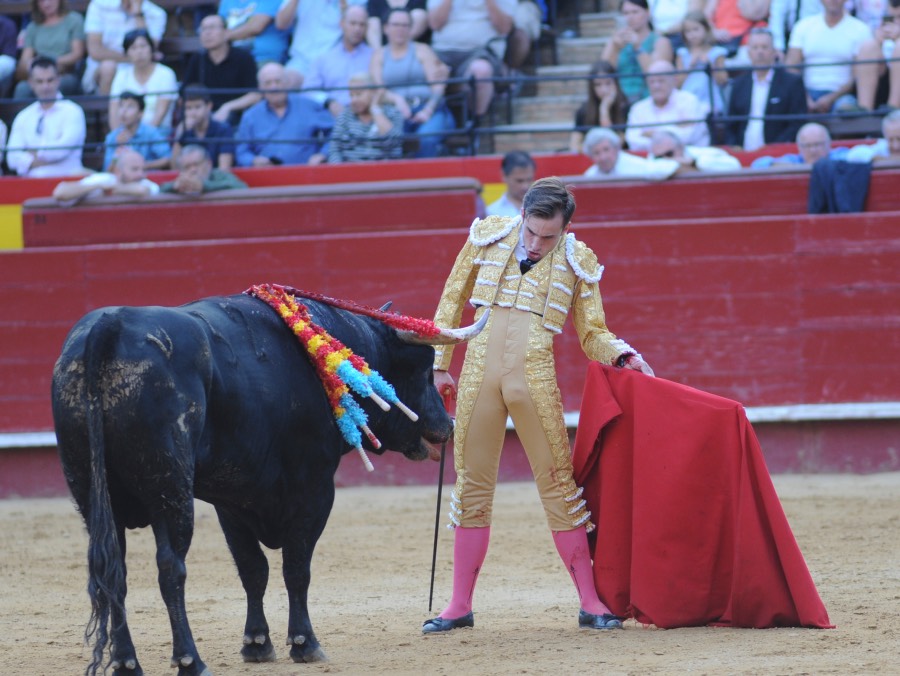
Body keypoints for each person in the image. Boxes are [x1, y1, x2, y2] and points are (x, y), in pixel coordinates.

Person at [422, 176, 654, 634]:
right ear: (522, 213)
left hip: (535, 379)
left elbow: (592, 333)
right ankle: (458, 606)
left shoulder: (577, 260)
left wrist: (623, 354)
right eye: (531, 231)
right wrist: (438, 365)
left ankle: (590, 602)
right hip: (477, 377)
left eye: (548, 237)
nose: (535, 244)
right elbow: (450, 301)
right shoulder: (487, 234)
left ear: (565, 229)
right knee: (470, 486)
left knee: (558, 483)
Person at [370, 8, 454, 157]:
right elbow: (379, 89)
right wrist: (397, 99)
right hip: (394, 113)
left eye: (405, 25)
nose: (400, 29)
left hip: (430, 110)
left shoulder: (423, 50)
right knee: (388, 138)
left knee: (426, 139)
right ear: (385, 28)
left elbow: (438, 86)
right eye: (395, 25)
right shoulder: (379, 55)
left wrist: (427, 110)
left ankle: (425, 179)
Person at [426, 0, 517, 118]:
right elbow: (434, 24)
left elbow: (505, 28)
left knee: (481, 70)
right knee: (426, 68)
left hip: (482, 51)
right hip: (442, 51)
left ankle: (476, 124)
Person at [235, 63, 334, 166]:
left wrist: (322, 154)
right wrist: (253, 161)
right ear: (260, 88)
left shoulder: (309, 106)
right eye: (268, 83)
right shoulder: (250, 116)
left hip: (307, 175)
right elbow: (242, 152)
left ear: (287, 83)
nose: (274, 87)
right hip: (265, 177)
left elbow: (335, 132)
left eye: (278, 81)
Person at [725, 27, 808, 150]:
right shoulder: (739, 84)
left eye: (764, 47)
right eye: (755, 47)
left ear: (774, 52)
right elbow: (731, 124)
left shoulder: (792, 82)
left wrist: (773, 148)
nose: (760, 52)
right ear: (748, 52)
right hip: (743, 154)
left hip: (777, 154)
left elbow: (796, 124)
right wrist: (735, 146)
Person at [784, 0, 873, 113]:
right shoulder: (803, 26)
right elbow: (791, 68)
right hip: (807, 93)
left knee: (847, 108)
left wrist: (831, 98)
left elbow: (857, 75)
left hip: (842, 96)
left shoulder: (861, 30)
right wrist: (806, 98)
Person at [6, 56, 86, 177]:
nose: (45, 87)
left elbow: (62, 151)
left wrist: (31, 155)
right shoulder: (24, 116)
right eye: (40, 81)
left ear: (58, 80)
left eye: (50, 80)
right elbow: (11, 158)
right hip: (30, 184)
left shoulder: (73, 111)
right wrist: (47, 157)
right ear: (31, 83)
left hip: (67, 183)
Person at [181, 14, 261, 125]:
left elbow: (255, 95)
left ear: (226, 32)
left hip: (236, 117)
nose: (207, 33)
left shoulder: (243, 58)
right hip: (202, 117)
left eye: (212, 28)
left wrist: (228, 107)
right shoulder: (197, 59)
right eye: (203, 29)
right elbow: (185, 93)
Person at [82, 0, 167, 96]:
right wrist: (134, 58)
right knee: (108, 66)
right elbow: (95, 52)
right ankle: (106, 110)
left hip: (139, 67)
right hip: (102, 70)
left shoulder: (157, 14)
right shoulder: (99, 5)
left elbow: (149, 49)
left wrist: (138, 14)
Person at [303, 5, 374, 114]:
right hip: (332, 119)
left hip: (367, 118)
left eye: (362, 24)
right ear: (342, 24)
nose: (357, 29)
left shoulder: (375, 57)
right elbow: (309, 90)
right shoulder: (324, 58)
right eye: (353, 23)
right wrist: (328, 102)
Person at [277, 0, 368, 86]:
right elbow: (281, 24)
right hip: (302, 60)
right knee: (282, 83)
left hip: (335, 60)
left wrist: (343, 5)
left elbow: (356, 25)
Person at [624, 60, 710, 151]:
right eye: (652, 82)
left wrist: (653, 133)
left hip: (688, 158)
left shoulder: (689, 101)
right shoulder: (638, 108)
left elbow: (691, 135)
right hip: (651, 161)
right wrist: (673, 132)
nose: (656, 86)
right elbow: (633, 141)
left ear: (674, 80)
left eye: (661, 81)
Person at [602, 0, 674, 104]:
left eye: (635, 12)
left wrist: (638, 47)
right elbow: (603, 73)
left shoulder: (660, 41)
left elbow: (657, 76)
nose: (630, 17)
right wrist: (614, 47)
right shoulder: (615, 42)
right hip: (620, 102)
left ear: (647, 13)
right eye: (626, 13)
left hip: (650, 101)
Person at [108, 29, 178, 131]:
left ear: (151, 49)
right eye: (133, 48)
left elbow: (160, 114)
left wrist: (141, 139)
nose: (139, 52)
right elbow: (114, 112)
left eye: (143, 46)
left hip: (158, 133)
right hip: (125, 134)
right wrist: (117, 138)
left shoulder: (166, 74)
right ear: (126, 53)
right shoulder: (121, 75)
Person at [13, 0, 86, 99]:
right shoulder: (33, 27)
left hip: (65, 72)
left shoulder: (74, 20)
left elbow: (77, 54)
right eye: (41, 1)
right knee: (22, 89)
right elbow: (25, 59)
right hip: (39, 72)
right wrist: (30, 64)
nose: (46, 4)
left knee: (63, 84)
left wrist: (51, 62)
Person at [327, 72, 405, 162]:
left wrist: (375, 109)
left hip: (383, 172)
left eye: (358, 94)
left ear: (373, 92)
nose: (354, 100)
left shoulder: (393, 113)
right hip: (349, 172)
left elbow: (392, 142)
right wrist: (340, 172)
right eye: (351, 95)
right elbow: (334, 149)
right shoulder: (345, 116)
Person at [52, 147, 158, 202]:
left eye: (143, 169)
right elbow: (60, 193)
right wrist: (97, 186)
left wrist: (113, 189)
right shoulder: (103, 180)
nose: (141, 174)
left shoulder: (146, 183)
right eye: (134, 169)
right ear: (118, 171)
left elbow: (141, 190)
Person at [568, 60, 630, 153]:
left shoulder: (625, 108)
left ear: (615, 83)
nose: (604, 89)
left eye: (608, 83)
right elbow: (574, 145)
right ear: (592, 87)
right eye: (598, 84)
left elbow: (616, 144)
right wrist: (594, 152)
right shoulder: (583, 111)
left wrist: (604, 110)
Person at [675, 10, 728, 114]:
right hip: (687, 102)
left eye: (696, 29)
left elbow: (722, 81)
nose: (692, 34)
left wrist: (710, 65)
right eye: (688, 31)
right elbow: (678, 84)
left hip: (711, 102)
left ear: (706, 29)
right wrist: (691, 66)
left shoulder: (717, 53)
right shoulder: (682, 54)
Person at [102, 90, 171, 170]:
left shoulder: (151, 133)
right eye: (121, 106)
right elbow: (107, 169)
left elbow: (167, 159)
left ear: (140, 113)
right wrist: (118, 148)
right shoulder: (112, 137)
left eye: (130, 106)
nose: (124, 111)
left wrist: (143, 166)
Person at [172, 85, 236, 169]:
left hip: (216, 180)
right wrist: (178, 137)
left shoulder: (223, 129)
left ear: (209, 106)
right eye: (188, 108)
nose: (193, 112)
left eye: (197, 107)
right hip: (188, 179)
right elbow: (174, 168)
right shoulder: (184, 131)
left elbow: (224, 169)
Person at [582, 127, 680, 179]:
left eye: (606, 149)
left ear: (617, 148)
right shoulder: (590, 176)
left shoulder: (635, 164)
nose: (603, 157)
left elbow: (665, 169)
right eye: (596, 153)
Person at [855, 0, 900, 111]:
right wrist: (879, 40)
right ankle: (865, 109)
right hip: (883, 77)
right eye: (892, 18)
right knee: (868, 46)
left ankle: (893, 108)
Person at [219, 0, 289, 66]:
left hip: (264, 59)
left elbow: (256, 27)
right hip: (232, 57)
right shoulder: (227, 1)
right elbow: (218, 25)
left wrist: (223, 36)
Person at [159, 144, 249, 194]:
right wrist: (174, 188)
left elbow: (241, 187)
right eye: (187, 167)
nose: (193, 170)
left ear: (209, 164)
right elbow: (161, 190)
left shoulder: (220, 176)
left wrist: (204, 186)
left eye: (196, 164)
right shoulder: (183, 181)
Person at [749, 121, 845, 167]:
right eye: (807, 146)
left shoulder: (838, 155)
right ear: (799, 148)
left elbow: (859, 153)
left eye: (818, 144)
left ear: (829, 145)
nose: (813, 150)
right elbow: (758, 164)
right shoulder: (794, 160)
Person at [648, 128, 741, 171]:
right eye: (659, 157)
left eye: (669, 154)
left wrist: (694, 162)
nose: (665, 159)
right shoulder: (653, 158)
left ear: (681, 147)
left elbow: (734, 165)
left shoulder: (701, 153)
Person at [486, 150, 535, 216]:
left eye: (529, 180)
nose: (525, 186)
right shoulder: (492, 213)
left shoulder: (544, 208)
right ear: (504, 176)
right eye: (519, 181)